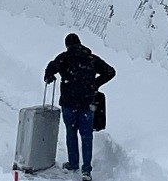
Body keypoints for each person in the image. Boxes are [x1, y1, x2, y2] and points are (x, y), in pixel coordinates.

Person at [44, 33, 115, 181]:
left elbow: (51, 67)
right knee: (86, 135)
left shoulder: (65, 57)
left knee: (71, 132)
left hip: (69, 103)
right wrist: (94, 84)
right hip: (87, 103)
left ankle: (73, 163)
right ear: (80, 44)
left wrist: (49, 76)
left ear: (67, 45)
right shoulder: (91, 58)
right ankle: (86, 171)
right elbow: (110, 72)